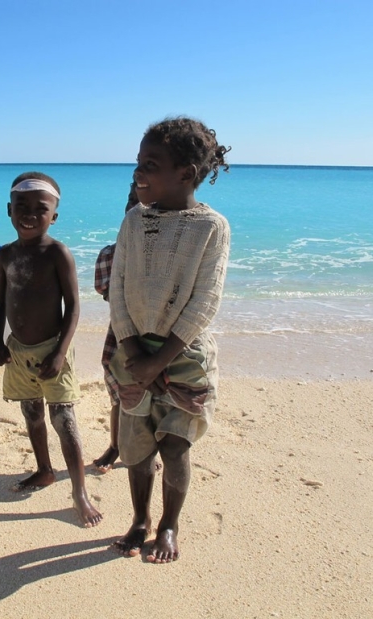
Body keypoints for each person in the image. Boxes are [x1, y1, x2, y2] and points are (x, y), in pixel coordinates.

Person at [109, 116, 230, 563]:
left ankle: (169, 524)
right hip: (133, 349)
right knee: (135, 446)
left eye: (151, 164)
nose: (138, 172)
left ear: (186, 174)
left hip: (184, 356)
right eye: (138, 162)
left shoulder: (210, 228)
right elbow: (118, 289)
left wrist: (160, 361)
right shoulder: (134, 222)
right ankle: (139, 519)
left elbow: (205, 301)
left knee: (175, 445)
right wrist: (132, 349)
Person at [0, 172, 103, 528]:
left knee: (63, 419)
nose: (29, 214)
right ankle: (43, 469)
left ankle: (79, 491)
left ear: (54, 215)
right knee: (32, 413)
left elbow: (73, 307)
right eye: (21, 206)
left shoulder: (58, 253)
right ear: (9, 210)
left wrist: (59, 353)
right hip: (19, 351)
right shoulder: (5, 255)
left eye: (40, 209)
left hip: (54, 349)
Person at [92, 182, 138, 473]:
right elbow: (105, 290)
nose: (137, 206)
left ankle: (145, 450)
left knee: (154, 397)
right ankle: (116, 446)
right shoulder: (112, 254)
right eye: (133, 200)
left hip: (159, 335)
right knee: (120, 394)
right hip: (123, 333)